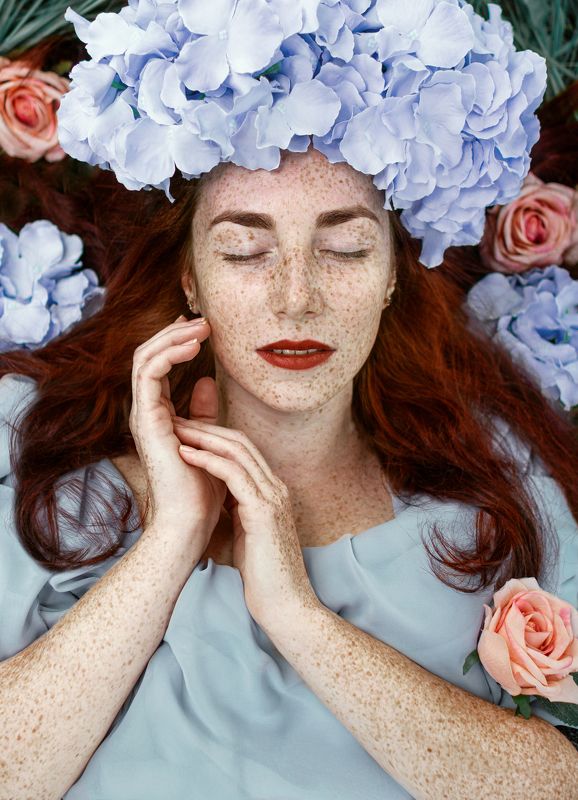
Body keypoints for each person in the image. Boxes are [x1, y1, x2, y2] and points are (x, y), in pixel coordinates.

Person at [1, 2, 578, 798]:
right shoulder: (28, 447)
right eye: (245, 250)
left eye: (345, 248)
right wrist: (171, 541)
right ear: (190, 276)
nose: (296, 298)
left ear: (393, 275)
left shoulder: (494, 483)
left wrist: (297, 616)